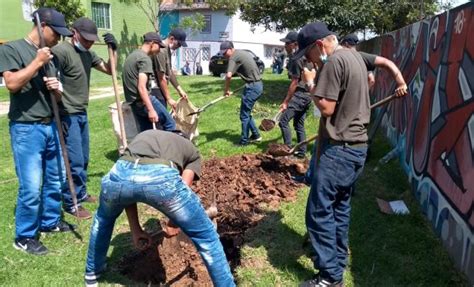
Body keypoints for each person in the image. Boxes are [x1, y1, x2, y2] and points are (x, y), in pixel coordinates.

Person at [293, 22, 408, 286]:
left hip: (340, 151)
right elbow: (385, 62)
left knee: (319, 211)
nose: (309, 62)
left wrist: (311, 84)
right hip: (357, 149)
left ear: (319, 45)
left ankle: (330, 277)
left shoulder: (333, 62)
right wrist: (400, 80)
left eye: (308, 55)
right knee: (340, 207)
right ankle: (338, 259)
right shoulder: (355, 56)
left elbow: (327, 109)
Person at [84, 129, 235, 287]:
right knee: (206, 236)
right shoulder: (192, 151)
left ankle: (93, 272)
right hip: (158, 177)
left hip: (118, 176)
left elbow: (130, 188)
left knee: (103, 219)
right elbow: (183, 187)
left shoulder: (146, 134)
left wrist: (135, 229)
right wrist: (172, 224)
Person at [0, 7, 75, 255]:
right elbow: (11, 83)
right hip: (26, 128)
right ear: (42, 26)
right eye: (56, 32)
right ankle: (24, 236)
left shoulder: (49, 55)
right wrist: (37, 62)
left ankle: (50, 221)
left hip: (50, 124)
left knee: (55, 179)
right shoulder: (11, 49)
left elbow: (54, 92)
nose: (59, 38)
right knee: (31, 186)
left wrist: (57, 89)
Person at [52, 17, 118, 219]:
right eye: (86, 38)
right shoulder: (61, 51)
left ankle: (80, 193)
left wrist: (113, 50)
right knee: (74, 160)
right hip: (66, 113)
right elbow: (49, 75)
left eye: (91, 39)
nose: (89, 42)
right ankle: (71, 202)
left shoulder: (88, 53)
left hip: (81, 111)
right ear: (74, 33)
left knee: (85, 158)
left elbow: (110, 70)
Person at [122, 32, 176, 132]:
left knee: (147, 134)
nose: (160, 49)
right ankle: (171, 147)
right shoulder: (144, 59)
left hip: (134, 103)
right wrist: (151, 109)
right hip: (144, 102)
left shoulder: (132, 56)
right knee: (170, 123)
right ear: (152, 43)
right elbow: (141, 87)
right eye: (159, 46)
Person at [278, 31, 315, 158]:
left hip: (300, 95)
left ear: (294, 44)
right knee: (298, 124)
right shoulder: (308, 56)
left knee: (283, 121)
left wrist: (286, 101)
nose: (285, 46)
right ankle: (301, 152)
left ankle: (288, 151)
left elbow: (294, 82)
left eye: (287, 43)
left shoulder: (296, 58)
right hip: (308, 95)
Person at [221, 41, 263, 146]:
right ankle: (256, 135)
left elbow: (229, 75)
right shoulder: (241, 53)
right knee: (246, 113)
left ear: (230, 49)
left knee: (244, 116)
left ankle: (243, 142)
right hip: (256, 85)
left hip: (252, 87)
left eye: (225, 52)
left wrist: (226, 90)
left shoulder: (233, 57)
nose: (223, 55)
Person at [151, 28, 189, 109]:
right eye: (178, 44)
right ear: (172, 39)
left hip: (160, 89)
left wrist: (180, 89)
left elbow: (169, 71)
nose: (179, 47)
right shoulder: (160, 50)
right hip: (155, 89)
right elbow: (161, 77)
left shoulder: (167, 49)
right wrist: (169, 99)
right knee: (162, 120)